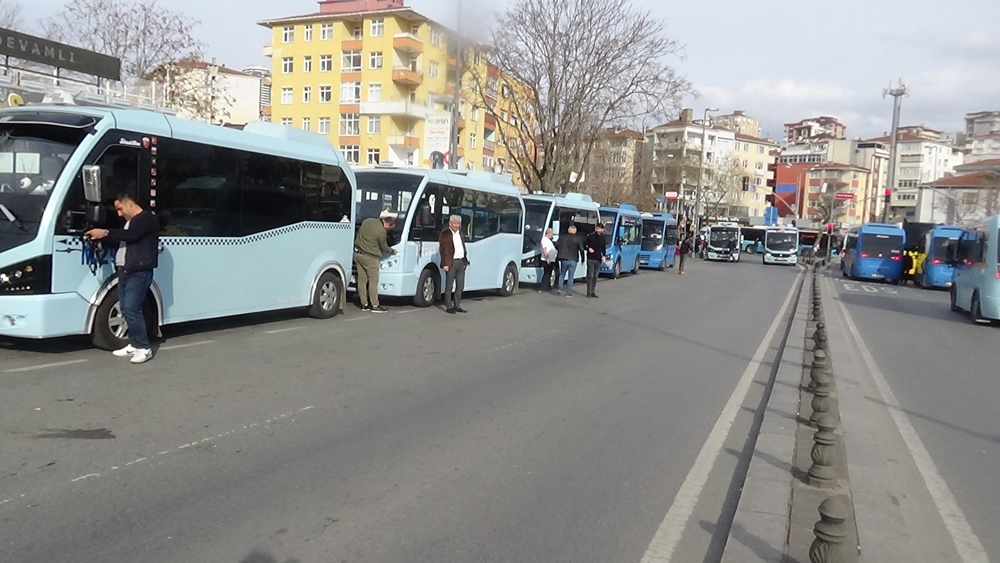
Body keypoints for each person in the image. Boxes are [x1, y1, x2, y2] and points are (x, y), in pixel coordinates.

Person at [85, 194, 160, 364]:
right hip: (125, 270)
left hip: (139, 271)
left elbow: (131, 236)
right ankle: (134, 344)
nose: (119, 214)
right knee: (126, 308)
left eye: (120, 208)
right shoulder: (129, 222)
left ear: (130, 204)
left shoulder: (147, 219)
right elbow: (123, 238)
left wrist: (105, 232)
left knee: (132, 307)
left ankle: (143, 347)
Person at [354, 211, 398, 313]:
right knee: (373, 281)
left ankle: (364, 304)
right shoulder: (381, 232)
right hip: (371, 258)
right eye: (389, 228)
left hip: (358, 254)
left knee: (362, 280)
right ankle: (375, 305)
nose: (388, 230)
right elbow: (383, 246)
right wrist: (392, 251)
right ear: (386, 223)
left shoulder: (367, 221)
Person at [440, 214, 469, 314]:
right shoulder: (445, 234)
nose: (457, 226)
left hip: (461, 262)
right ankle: (449, 306)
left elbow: (462, 247)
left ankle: (457, 305)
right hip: (451, 262)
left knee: (460, 285)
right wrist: (445, 264)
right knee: (449, 286)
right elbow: (444, 251)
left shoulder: (460, 233)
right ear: (450, 223)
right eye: (455, 223)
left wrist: (465, 259)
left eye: (458, 224)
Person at [554, 225, 586, 297]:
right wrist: (583, 259)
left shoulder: (562, 237)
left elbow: (556, 245)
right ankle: (568, 293)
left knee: (562, 273)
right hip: (573, 259)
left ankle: (559, 288)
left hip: (563, 258)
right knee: (570, 276)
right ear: (575, 231)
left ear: (568, 230)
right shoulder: (578, 238)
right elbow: (581, 249)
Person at [584, 223, 607, 298]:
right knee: (590, 275)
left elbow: (603, 248)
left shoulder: (603, 238)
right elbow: (584, 244)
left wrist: (604, 256)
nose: (598, 230)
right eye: (597, 228)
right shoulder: (591, 236)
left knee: (595, 276)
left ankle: (593, 291)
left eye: (600, 228)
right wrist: (588, 248)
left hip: (598, 258)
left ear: (602, 230)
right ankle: (588, 292)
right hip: (590, 258)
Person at [539, 228, 557, 292]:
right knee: (546, 273)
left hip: (550, 259)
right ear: (549, 233)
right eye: (552, 233)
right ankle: (542, 288)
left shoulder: (548, 240)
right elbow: (544, 249)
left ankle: (547, 286)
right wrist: (547, 258)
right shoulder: (544, 240)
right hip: (546, 259)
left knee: (549, 273)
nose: (552, 235)